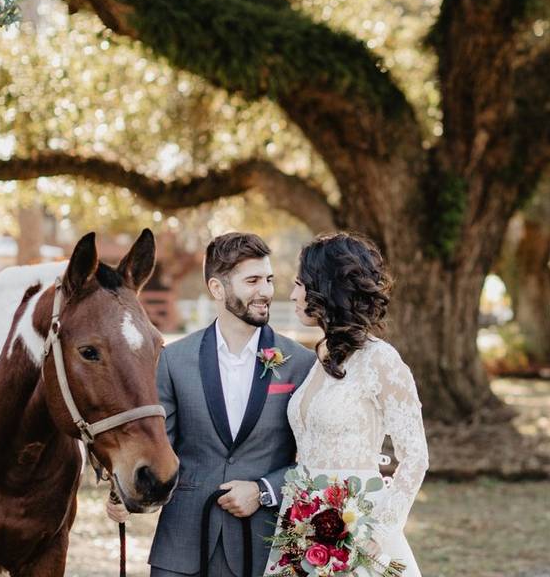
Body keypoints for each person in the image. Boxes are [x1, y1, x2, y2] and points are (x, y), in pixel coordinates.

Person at [107, 232, 315, 577]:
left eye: (268, 279)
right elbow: (161, 446)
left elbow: (316, 460)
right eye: (252, 281)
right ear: (217, 289)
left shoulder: (300, 363)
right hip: (181, 546)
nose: (265, 291)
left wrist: (264, 491)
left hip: (264, 548)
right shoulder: (173, 359)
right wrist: (127, 495)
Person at [267, 232, 429, 576]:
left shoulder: (380, 360)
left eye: (300, 284)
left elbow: (415, 457)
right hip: (301, 527)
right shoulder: (319, 358)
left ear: (326, 288)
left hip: (356, 529)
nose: (293, 294)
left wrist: (378, 533)